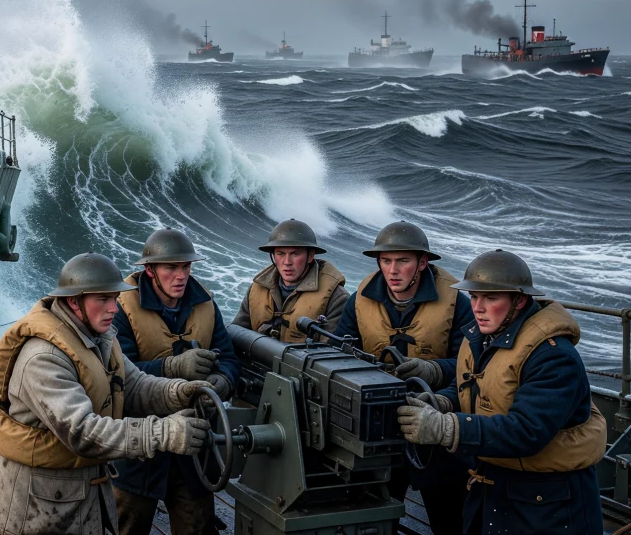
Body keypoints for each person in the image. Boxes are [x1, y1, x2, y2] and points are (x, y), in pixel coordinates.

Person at [0, 253, 218, 535]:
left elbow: (134, 385)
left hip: (74, 494)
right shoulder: (43, 357)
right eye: (103, 300)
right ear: (74, 301)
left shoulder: (99, 338)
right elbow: (82, 431)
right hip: (38, 507)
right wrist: (164, 433)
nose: (114, 308)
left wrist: (181, 392)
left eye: (114, 298)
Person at [397, 250, 605, 535]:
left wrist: (444, 427)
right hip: (493, 489)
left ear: (519, 301)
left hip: (547, 505)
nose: (478, 308)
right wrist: (443, 401)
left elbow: (527, 430)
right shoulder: (482, 339)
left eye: (491, 298)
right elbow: (478, 389)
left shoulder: (554, 357)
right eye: (474, 297)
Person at [334, 221, 479, 535]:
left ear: (422, 263)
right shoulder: (359, 299)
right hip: (377, 423)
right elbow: (337, 351)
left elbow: (475, 366)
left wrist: (433, 370)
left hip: (438, 419)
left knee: (450, 519)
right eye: (386, 261)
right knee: (373, 519)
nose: (393, 270)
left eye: (403, 261)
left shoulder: (457, 303)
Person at [111, 228, 241, 535]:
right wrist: (171, 366)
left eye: (186, 267)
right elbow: (118, 376)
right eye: (171, 267)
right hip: (141, 439)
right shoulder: (120, 307)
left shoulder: (206, 302)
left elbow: (231, 361)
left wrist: (222, 383)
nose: (180, 275)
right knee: (128, 523)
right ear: (149, 270)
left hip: (193, 441)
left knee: (197, 525)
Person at [232, 219, 348, 342]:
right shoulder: (257, 288)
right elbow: (237, 334)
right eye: (280, 253)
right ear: (273, 256)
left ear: (310, 256)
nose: (287, 262)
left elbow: (331, 352)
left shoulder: (336, 296)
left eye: (295, 254)